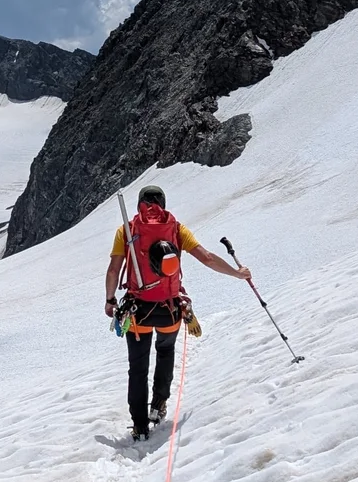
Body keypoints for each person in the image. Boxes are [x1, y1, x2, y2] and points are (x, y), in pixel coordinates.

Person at [103, 184, 252, 441]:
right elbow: (206, 257)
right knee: (166, 352)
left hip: (137, 311)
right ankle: (159, 405)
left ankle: (139, 425)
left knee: (137, 367)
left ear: (140, 203)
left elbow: (114, 270)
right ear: (163, 203)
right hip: (169, 309)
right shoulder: (176, 229)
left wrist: (109, 300)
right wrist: (237, 274)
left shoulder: (126, 231)